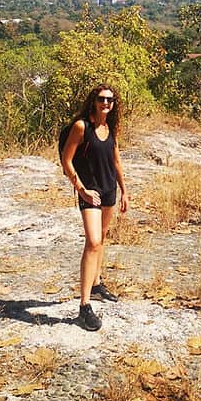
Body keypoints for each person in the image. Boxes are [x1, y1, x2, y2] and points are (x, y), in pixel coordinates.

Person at [61, 84, 129, 331]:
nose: (106, 103)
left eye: (110, 100)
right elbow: (66, 161)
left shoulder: (109, 127)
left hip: (109, 190)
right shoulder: (83, 127)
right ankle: (84, 307)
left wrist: (124, 191)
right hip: (89, 191)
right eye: (101, 99)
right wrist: (82, 190)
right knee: (93, 242)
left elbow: (116, 160)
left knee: (102, 239)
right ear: (94, 101)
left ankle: (97, 284)